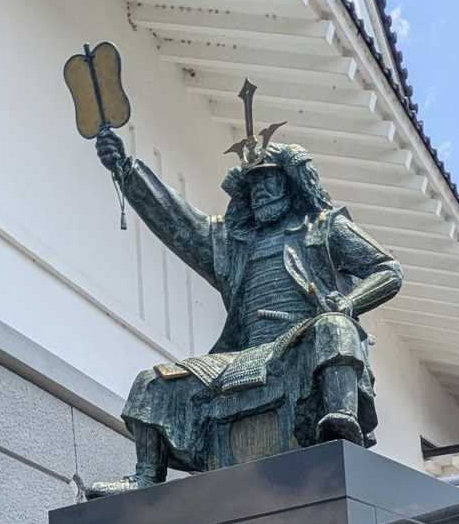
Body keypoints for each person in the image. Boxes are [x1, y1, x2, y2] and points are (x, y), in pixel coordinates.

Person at [92, 121, 403, 490]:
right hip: (246, 352)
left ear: (291, 182)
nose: (260, 193)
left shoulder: (323, 227)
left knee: (335, 327)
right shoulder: (232, 243)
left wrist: (348, 302)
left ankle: (339, 421)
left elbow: (388, 270)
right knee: (152, 382)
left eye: (268, 181)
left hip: (301, 343)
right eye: (253, 186)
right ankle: (147, 475)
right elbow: (179, 221)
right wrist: (127, 170)